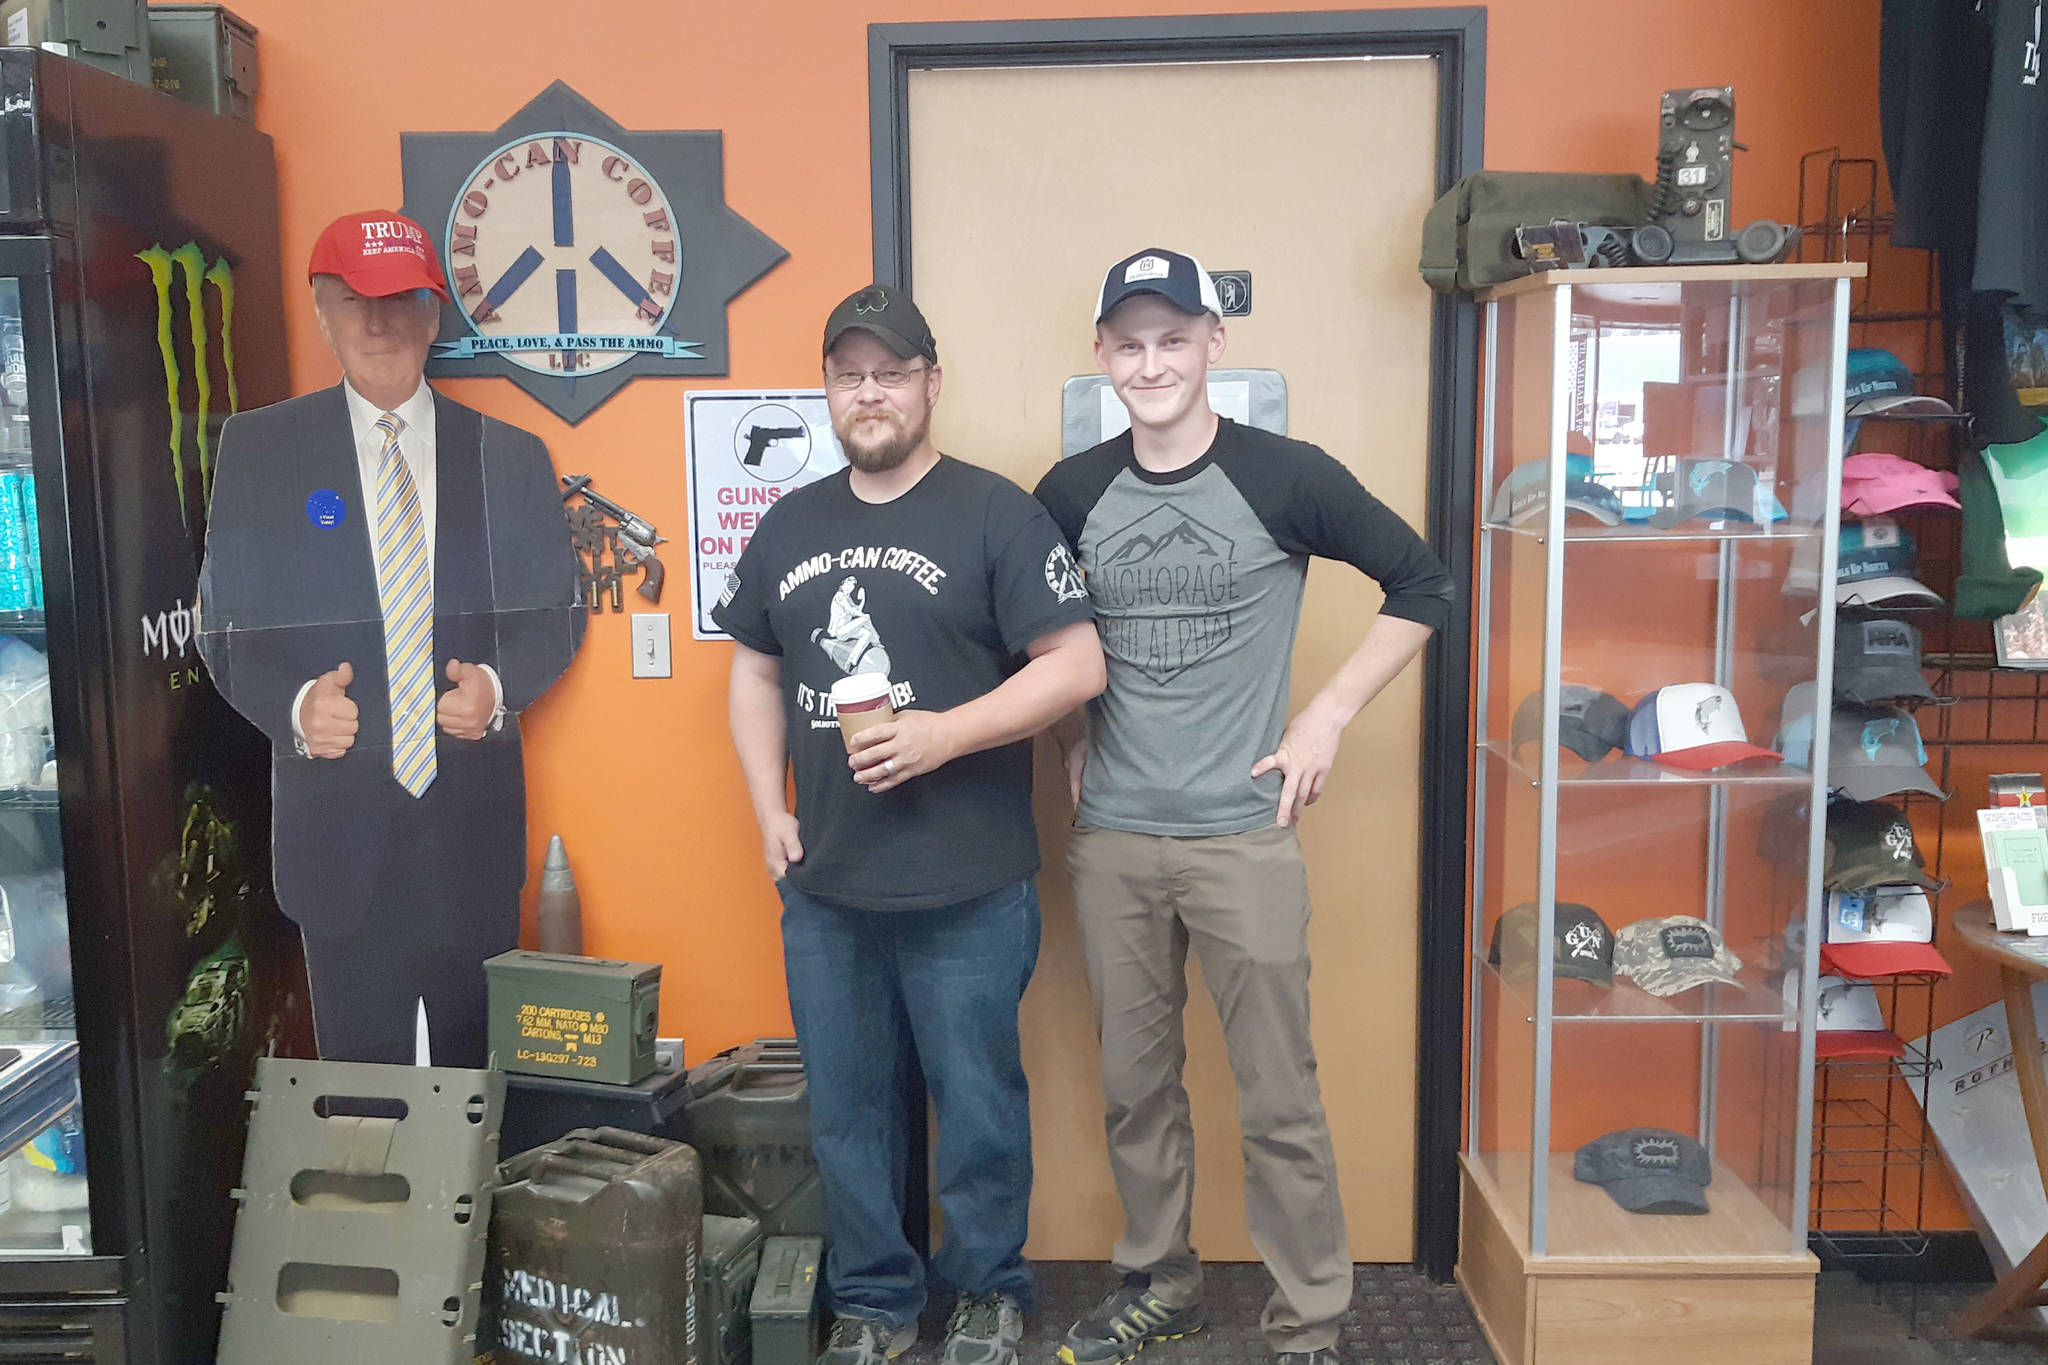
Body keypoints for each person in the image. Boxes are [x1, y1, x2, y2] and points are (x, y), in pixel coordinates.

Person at [1032, 249, 1455, 1365]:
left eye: (1172, 338)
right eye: (1129, 343)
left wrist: (1322, 719)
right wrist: (1070, 736)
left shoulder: (1283, 475)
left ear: (1212, 344)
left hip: (1240, 837)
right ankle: (1159, 1283)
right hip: (1114, 842)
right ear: (1102, 358)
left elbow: (1424, 583)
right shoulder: (1068, 495)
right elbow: (1036, 639)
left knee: (1277, 1098)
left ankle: (1308, 1321)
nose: (1151, 361)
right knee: (1134, 1091)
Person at [714, 284, 1103, 1365]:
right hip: (828, 887)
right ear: (828, 391)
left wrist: (946, 735)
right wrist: (765, 809)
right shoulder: (791, 524)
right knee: (845, 1114)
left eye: (891, 372)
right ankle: (876, 1303)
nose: (870, 392)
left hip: (967, 887)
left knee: (977, 1107)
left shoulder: (994, 512)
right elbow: (750, 668)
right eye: (850, 374)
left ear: (930, 384)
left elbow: (1074, 665)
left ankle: (986, 1291)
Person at [196, 210, 584, 1067]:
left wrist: (496, 684)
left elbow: (555, 613)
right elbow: (224, 625)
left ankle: (469, 1209)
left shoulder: (508, 456)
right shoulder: (263, 451)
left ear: (434, 314)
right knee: (358, 1102)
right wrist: (296, 708)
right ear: (322, 310)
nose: (379, 323)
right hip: (335, 838)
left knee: (475, 1091)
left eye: (401, 300)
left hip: (469, 836)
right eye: (354, 301)